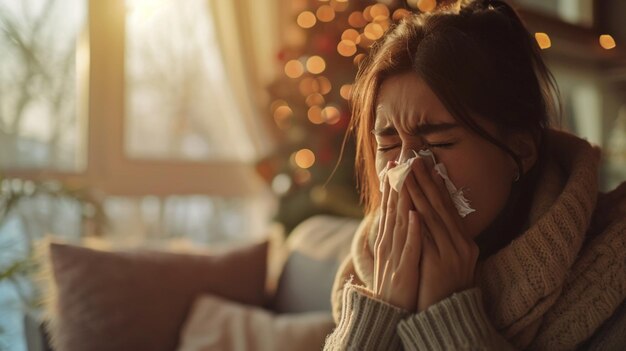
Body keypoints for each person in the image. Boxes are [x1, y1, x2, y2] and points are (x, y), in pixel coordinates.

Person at [323, 0, 626, 350]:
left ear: (521, 151)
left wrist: (446, 316)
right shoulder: (361, 273)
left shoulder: (611, 279)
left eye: (439, 141)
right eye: (388, 146)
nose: (407, 172)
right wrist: (380, 313)